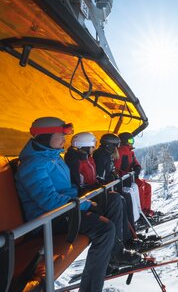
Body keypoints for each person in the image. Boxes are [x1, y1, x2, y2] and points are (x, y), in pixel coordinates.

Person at [15, 117, 139, 292]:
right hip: (49, 219)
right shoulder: (33, 165)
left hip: (67, 207)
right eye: (60, 136)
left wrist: (85, 198)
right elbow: (48, 201)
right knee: (105, 229)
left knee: (115, 200)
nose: (64, 140)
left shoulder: (54, 157)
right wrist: (86, 205)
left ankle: (115, 253)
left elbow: (70, 187)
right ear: (45, 137)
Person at [64, 132, 142, 251]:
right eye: (92, 145)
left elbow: (95, 177)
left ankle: (128, 237)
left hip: (92, 192)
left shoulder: (89, 158)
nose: (94, 148)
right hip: (86, 196)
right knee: (120, 199)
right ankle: (122, 242)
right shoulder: (78, 160)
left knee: (122, 198)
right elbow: (79, 183)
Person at [93, 133, 136, 229]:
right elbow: (101, 176)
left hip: (110, 187)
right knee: (122, 199)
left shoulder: (107, 155)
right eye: (116, 145)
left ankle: (131, 232)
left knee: (126, 197)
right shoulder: (102, 155)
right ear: (110, 145)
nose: (118, 148)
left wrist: (114, 177)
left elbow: (109, 172)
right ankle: (126, 235)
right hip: (105, 190)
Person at [114, 132, 155, 217]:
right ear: (124, 141)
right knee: (139, 185)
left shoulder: (130, 152)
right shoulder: (120, 151)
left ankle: (146, 209)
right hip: (125, 179)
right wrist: (125, 174)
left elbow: (136, 162)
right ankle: (142, 211)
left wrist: (137, 167)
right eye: (130, 140)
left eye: (132, 140)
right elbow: (117, 168)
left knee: (147, 186)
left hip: (131, 177)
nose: (132, 142)